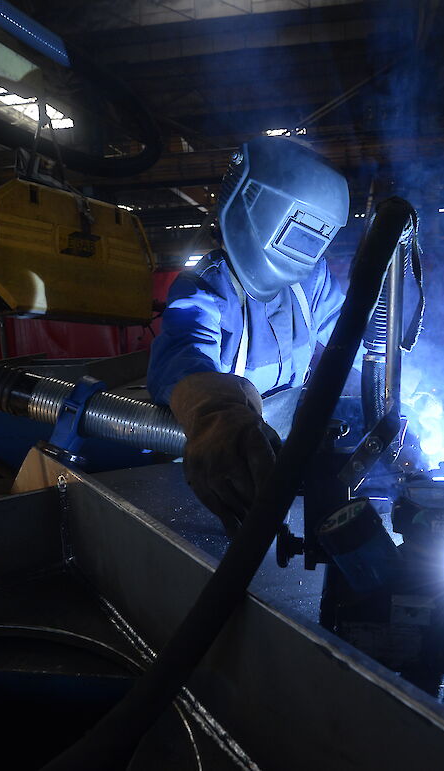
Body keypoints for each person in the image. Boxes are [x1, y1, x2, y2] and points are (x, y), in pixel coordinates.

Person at [147, 136, 351, 534]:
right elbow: (183, 356)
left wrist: (417, 385)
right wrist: (217, 414)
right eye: (301, 235)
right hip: (211, 478)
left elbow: (356, 333)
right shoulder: (207, 288)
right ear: (263, 211)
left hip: (276, 466)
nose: (307, 253)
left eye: (318, 239)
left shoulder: (309, 283)